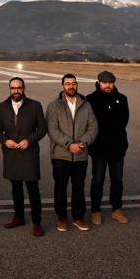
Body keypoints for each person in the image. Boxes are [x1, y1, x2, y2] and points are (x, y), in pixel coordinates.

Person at [0, 77, 48, 237]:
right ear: (9, 89)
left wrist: (28, 141)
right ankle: (19, 217)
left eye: (19, 88)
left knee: (33, 190)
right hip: (11, 153)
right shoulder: (2, 107)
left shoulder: (35, 105)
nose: (16, 91)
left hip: (28, 153)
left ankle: (37, 222)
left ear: (24, 89)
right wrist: (5, 141)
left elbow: (42, 128)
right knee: (16, 190)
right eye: (13, 88)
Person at [46, 74, 98, 232]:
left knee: (79, 187)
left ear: (77, 85)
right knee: (60, 187)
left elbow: (93, 128)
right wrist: (70, 144)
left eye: (74, 83)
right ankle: (61, 218)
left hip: (80, 154)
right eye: (67, 84)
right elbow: (52, 130)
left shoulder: (86, 105)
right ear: (62, 87)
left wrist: (82, 143)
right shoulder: (54, 106)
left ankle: (78, 217)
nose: (71, 86)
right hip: (61, 154)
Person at [86, 71, 130, 226]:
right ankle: (96, 211)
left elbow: (124, 121)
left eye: (110, 82)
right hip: (99, 148)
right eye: (104, 82)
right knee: (97, 180)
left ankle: (117, 209)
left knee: (117, 180)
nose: (107, 85)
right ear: (99, 83)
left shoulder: (121, 99)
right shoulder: (90, 100)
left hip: (117, 148)